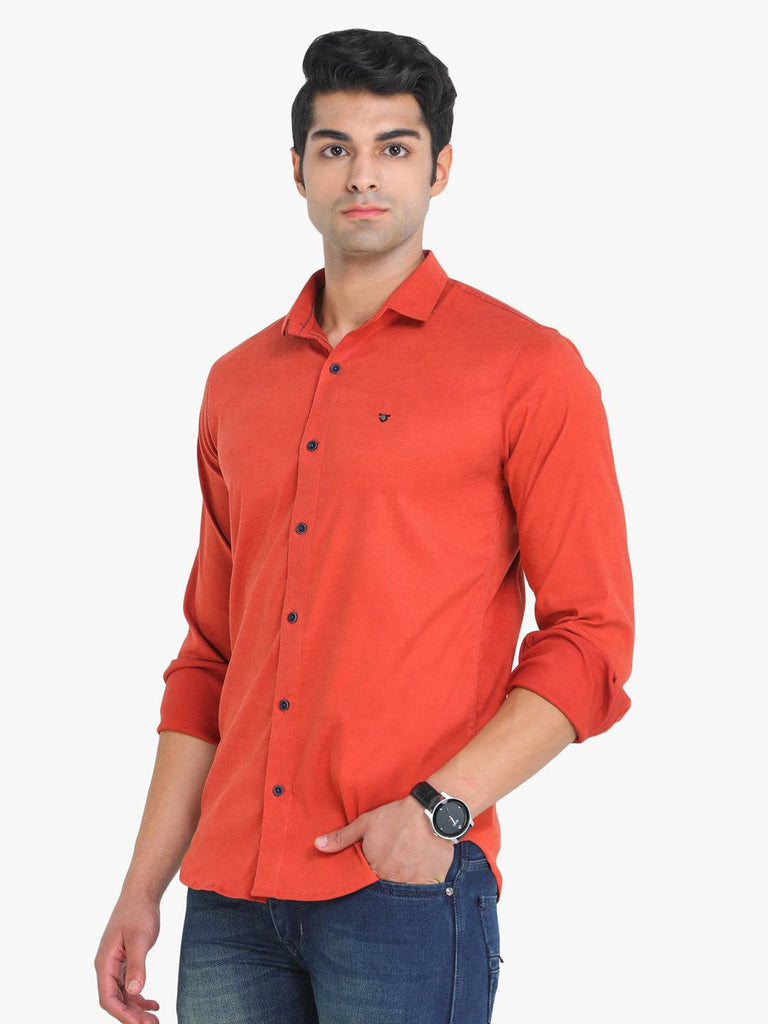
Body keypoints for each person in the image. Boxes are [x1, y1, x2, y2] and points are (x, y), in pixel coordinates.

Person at [95, 26, 634, 1024]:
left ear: (441, 168)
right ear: (298, 168)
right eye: (335, 147)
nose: (363, 175)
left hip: (403, 888)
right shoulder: (236, 383)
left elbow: (591, 639)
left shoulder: (528, 369)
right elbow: (211, 654)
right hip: (228, 896)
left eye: (395, 146)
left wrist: (441, 810)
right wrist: (142, 885)